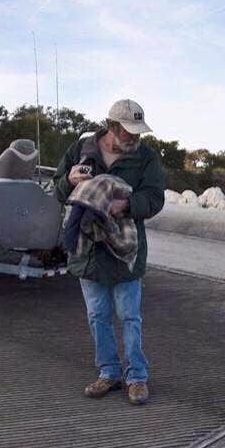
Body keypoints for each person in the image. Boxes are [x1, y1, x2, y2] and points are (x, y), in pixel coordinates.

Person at [53, 99, 165, 405]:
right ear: (112, 126)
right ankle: (108, 373)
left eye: (139, 131)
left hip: (127, 249)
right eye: (129, 131)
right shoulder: (81, 150)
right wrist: (69, 180)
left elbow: (155, 198)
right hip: (88, 250)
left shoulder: (145, 156)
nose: (136, 137)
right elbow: (58, 190)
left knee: (130, 316)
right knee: (97, 315)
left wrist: (126, 204)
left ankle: (137, 377)